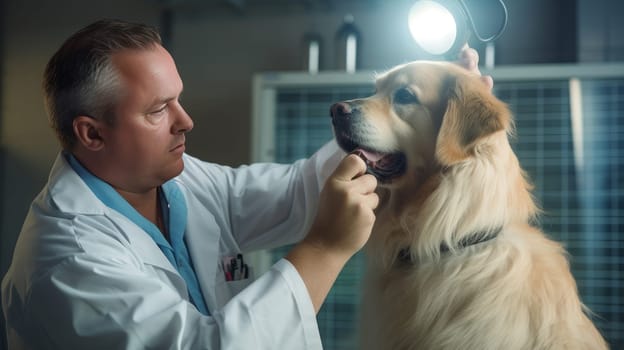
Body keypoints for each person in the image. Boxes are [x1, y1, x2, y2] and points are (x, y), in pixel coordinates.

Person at [1, 19, 490, 349]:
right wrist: (323, 249)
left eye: (178, 100)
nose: (185, 121)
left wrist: (429, 115)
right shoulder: (67, 260)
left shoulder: (179, 183)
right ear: (91, 132)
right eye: (158, 110)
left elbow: (300, 190)